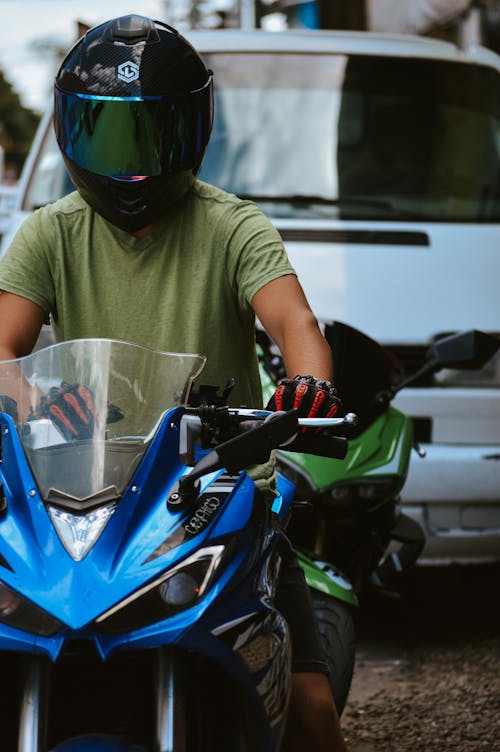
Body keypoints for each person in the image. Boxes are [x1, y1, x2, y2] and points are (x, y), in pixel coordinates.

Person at [0, 15, 349, 752]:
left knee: (313, 713)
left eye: (149, 137)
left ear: (190, 133)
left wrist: (308, 386)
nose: (129, 166)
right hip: (78, 495)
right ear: (71, 131)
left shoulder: (233, 226)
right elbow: (2, 347)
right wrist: (33, 397)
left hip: (217, 498)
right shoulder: (48, 232)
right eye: (107, 136)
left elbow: (296, 326)